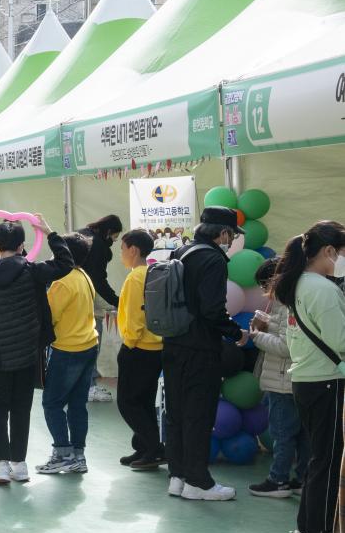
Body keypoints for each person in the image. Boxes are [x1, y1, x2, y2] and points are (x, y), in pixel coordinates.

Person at [0, 215, 72, 485]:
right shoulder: (33, 270)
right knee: (21, 408)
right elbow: (65, 263)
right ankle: (20, 464)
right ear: (23, 245)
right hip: (28, 354)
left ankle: (1, 465)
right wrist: (50, 232)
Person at [270, 220, 345, 533]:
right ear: (330, 252)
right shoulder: (323, 289)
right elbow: (341, 340)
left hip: (307, 380)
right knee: (327, 462)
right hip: (327, 382)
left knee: (318, 459)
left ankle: (304, 531)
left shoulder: (300, 283)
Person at [163, 207, 246, 501]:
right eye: (232, 235)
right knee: (198, 414)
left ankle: (178, 476)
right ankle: (198, 482)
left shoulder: (181, 253)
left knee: (176, 413)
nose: (231, 240)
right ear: (223, 233)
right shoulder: (212, 259)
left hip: (173, 344)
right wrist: (237, 333)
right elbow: (212, 309)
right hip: (200, 349)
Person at [37, 233, 100, 475]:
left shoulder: (62, 282)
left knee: (52, 403)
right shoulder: (83, 276)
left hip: (68, 349)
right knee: (77, 404)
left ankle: (62, 453)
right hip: (89, 344)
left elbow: (48, 317)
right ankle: (78, 456)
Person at [248, 257, 308, 498]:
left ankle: (278, 479)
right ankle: (303, 477)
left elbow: (286, 346)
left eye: (265, 287)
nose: (264, 293)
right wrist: (267, 324)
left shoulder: (286, 303)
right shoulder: (293, 300)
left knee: (282, 433)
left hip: (283, 380)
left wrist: (255, 335)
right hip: (294, 378)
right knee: (302, 433)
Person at [114, 229, 166, 470]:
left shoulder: (136, 277)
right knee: (143, 400)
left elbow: (136, 315)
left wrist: (129, 343)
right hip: (156, 346)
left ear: (133, 250)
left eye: (122, 249)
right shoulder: (153, 271)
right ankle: (145, 447)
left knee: (128, 402)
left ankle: (154, 448)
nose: (121, 254)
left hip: (139, 347)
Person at [78, 214, 123, 403]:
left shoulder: (82, 234)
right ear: (109, 231)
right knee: (92, 339)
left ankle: (79, 386)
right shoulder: (97, 246)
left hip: (71, 296)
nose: (115, 241)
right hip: (86, 296)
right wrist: (118, 301)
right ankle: (89, 386)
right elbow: (99, 280)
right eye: (115, 236)